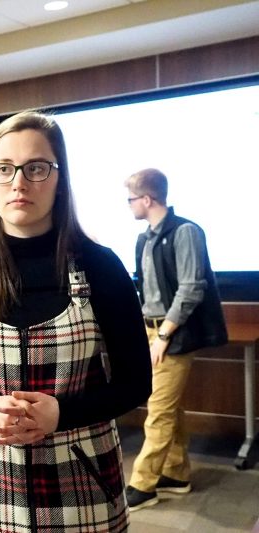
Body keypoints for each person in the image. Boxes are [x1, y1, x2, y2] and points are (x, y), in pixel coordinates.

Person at [0, 110, 152, 532]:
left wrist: (60, 414)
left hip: (83, 487)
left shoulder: (100, 267)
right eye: (5, 168)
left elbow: (136, 382)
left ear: (59, 178)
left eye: (36, 168)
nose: (19, 181)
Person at [123, 168, 227, 511]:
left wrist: (164, 334)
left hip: (173, 334)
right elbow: (145, 288)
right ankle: (176, 472)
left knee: (158, 409)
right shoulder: (145, 237)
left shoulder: (185, 232)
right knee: (170, 406)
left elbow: (191, 287)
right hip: (149, 328)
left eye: (131, 199)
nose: (129, 206)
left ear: (148, 199)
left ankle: (143, 483)